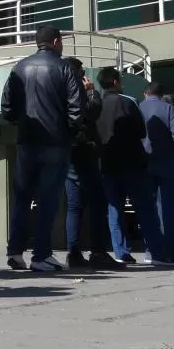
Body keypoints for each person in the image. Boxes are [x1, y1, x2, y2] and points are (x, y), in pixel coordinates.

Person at [1, 26, 83, 272]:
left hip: (26, 141)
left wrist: (21, 123)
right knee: (48, 201)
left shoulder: (19, 67)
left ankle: (15, 252)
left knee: (22, 198)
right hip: (55, 142)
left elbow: (7, 107)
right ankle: (42, 254)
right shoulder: (65, 67)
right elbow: (76, 108)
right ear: (57, 41)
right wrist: (70, 131)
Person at [95, 68, 169, 265]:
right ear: (116, 82)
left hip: (108, 164)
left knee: (114, 210)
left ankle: (121, 252)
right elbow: (141, 131)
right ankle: (156, 252)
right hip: (133, 162)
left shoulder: (96, 105)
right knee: (145, 208)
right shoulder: (127, 102)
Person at [63, 58, 124, 270]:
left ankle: (73, 252)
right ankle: (98, 251)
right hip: (83, 149)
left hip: (67, 149)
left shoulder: (57, 88)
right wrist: (91, 91)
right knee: (98, 201)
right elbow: (92, 111)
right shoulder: (76, 88)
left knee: (74, 205)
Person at [139, 84, 174, 265]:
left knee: (148, 208)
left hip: (145, 163)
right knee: (168, 209)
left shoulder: (138, 107)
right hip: (167, 162)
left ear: (145, 93)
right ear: (161, 95)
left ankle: (151, 250)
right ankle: (171, 251)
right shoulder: (169, 109)